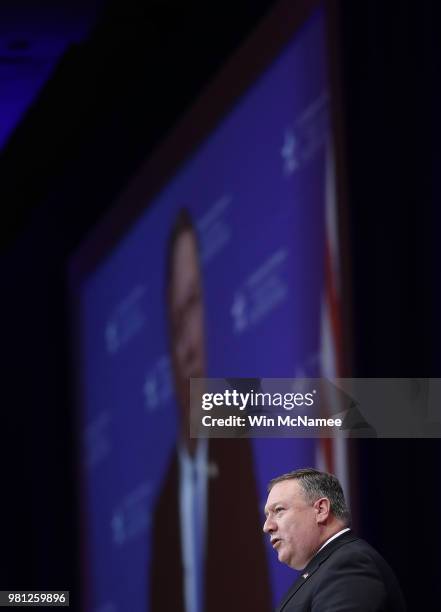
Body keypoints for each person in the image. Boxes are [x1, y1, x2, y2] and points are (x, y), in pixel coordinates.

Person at [149, 209, 271, 612]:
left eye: (195, 304)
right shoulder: (163, 506)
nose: (189, 340)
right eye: (178, 317)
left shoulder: (236, 442)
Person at [263, 468, 406, 611]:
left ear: (321, 510)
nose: (267, 526)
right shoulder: (327, 566)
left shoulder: (349, 563)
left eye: (279, 510)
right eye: (266, 515)